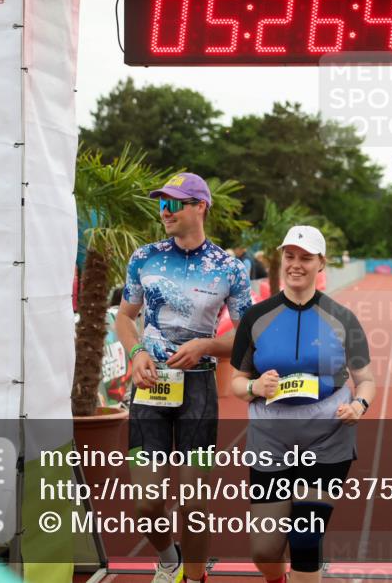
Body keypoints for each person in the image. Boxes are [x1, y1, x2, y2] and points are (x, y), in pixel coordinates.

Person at [116, 172, 253, 583]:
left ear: (200, 207)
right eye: (162, 203)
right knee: (146, 503)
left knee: (194, 504)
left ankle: (194, 577)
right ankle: (168, 559)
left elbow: (248, 336)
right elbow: (124, 317)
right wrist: (136, 351)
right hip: (149, 385)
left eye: (174, 203)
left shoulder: (229, 268)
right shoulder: (144, 257)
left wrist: (206, 346)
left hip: (198, 391)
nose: (164, 211)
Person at [230, 226, 376, 583]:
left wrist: (359, 405)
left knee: (306, 538)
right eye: (290, 256)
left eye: (306, 258)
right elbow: (235, 382)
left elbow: (367, 379)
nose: (296, 265)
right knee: (264, 550)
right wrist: (254, 385)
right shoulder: (256, 317)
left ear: (321, 263)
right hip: (271, 440)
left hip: (327, 440)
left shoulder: (343, 318)